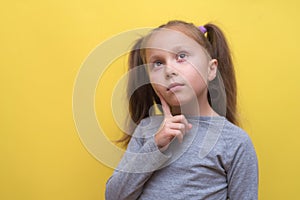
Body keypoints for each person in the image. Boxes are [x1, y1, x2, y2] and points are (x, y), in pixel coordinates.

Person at [105, 20, 258, 200]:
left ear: (211, 69)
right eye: (158, 63)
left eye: (182, 56)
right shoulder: (148, 130)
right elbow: (114, 196)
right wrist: (156, 147)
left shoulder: (235, 142)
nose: (169, 70)